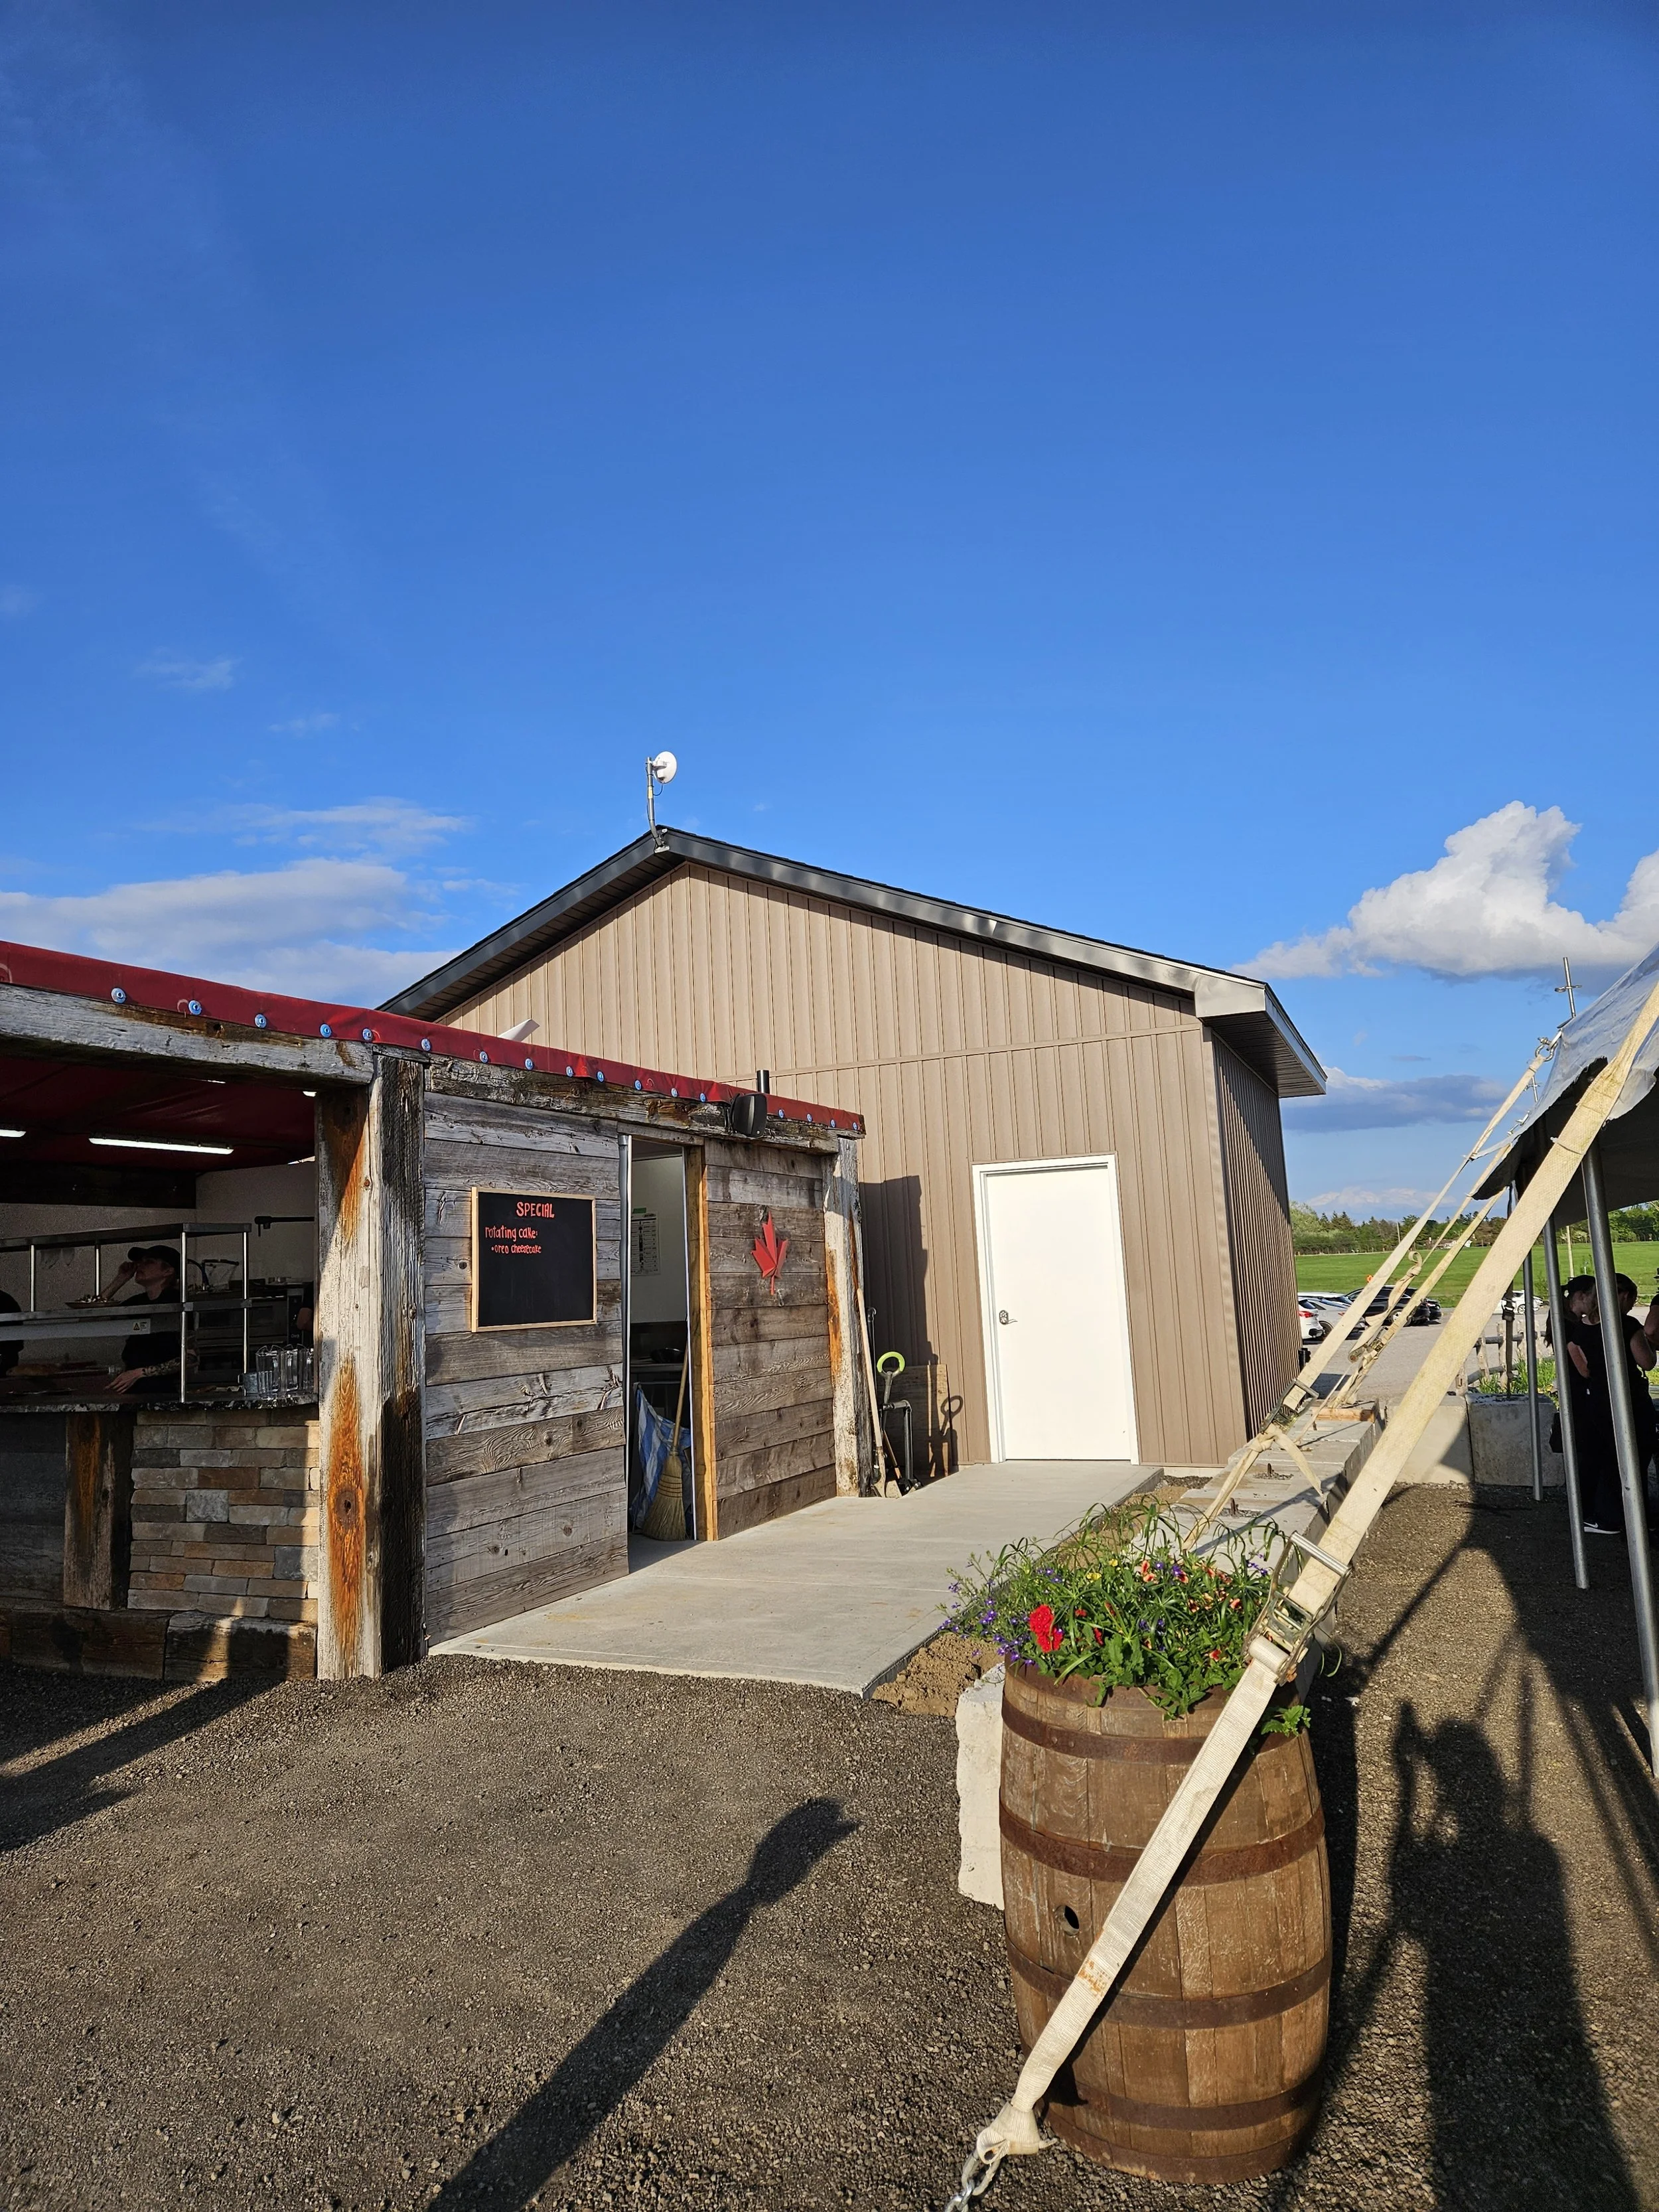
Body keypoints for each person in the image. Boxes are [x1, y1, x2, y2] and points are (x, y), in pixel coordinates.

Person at [1562, 1273, 1654, 1536]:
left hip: (1600, 1399)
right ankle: (1621, 1517)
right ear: (1624, 1297)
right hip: (1631, 1396)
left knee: (1611, 1457)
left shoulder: (1579, 1330)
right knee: (1637, 1455)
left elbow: (1584, 1371)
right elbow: (1646, 1362)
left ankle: (1614, 1515)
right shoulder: (1627, 1326)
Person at [72, 1245, 187, 1396]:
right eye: (140, 1262)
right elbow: (89, 1323)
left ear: (168, 1271)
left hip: (163, 1391)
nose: (140, 1265)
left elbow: (190, 1358)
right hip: (134, 1388)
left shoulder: (176, 1302)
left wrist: (138, 1373)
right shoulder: (137, 1303)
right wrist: (119, 1280)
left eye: (149, 1262)